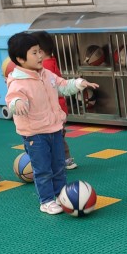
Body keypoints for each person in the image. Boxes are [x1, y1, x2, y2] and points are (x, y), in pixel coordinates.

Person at [5, 32, 98, 214]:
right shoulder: (18, 81)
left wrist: (79, 83)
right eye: (34, 52)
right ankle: (46, 201)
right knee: (42, 169)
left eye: (39, 51)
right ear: (20, 59)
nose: (40, 55)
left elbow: (62, 86)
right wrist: (18, 103)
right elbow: (12, 98)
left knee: (58, 166)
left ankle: (61, 195)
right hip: (35, 133)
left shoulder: (46, 74)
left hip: (54, 128)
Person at [32, 30, 77, 170]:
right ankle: (63, 159)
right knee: (58, 135)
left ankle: (64, 159)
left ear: (40, 51)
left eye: (34, 52)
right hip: (58, 107)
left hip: (55, 108)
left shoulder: (45, 66)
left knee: (56, 136)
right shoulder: (51, 61)